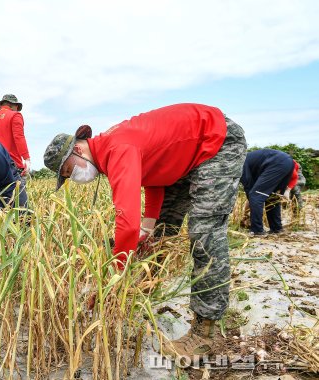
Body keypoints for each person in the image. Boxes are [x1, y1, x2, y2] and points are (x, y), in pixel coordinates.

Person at [43, 103, 247, 357]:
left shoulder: (116, 148)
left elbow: (126, 223)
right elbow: (154, 179)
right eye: (66, 175)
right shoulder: (112, 150)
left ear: (77, 149)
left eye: (68, 169)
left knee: (204, 233)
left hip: (215, 140)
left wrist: (113, 281)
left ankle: (205, 332)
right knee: (159, 234)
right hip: (180, 162)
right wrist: (148, 228)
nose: (73, 176)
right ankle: (146, 293)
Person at [240, 149, 300, 235]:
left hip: (277, 163)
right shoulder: (250, 160)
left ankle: (257, 230)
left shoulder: (240, 163)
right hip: (287, 163)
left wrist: (250, 207)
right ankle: (276, 228)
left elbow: (249, 188)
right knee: (273, 197)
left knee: (255, 196)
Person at [0, 94, 31, 178]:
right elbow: (19, 137)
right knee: (18, 190)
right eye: (17, 107)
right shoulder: (15, 115)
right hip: (11, 163)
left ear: (1, 105)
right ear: (13, 105)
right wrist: (26, 159)